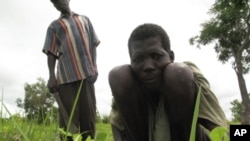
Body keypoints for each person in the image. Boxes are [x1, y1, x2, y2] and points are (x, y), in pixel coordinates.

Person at [109, 23, 227, 141]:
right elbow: (117, 126)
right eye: (138, 59)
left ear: (171, 57)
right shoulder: (127, 82)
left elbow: (219, 127)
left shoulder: (185, 74)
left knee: (177, 72)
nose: (148, 66)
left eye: (156, 56)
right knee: (118, 74)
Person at [42, 0, 100, 140]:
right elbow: (51, 52)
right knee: (67, 119)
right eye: (55, 2)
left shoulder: (84, 20)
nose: (58, 3)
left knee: (89, 116)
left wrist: (95, 66)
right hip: (66, 77)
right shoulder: (54, 26)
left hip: (87, 74)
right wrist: (51, 76)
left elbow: (93, 44)